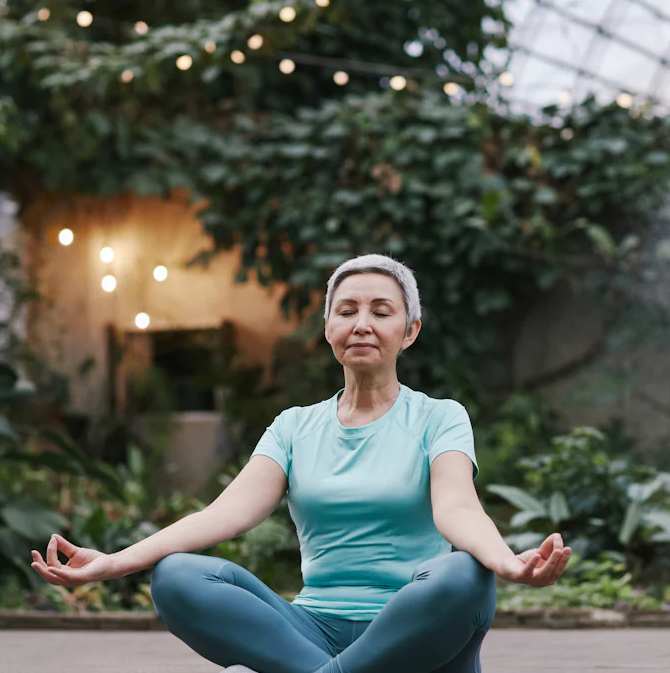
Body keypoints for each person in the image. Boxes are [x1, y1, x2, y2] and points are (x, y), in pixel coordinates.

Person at [30, 254, 571, 673]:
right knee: (176, 575)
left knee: (464, 575)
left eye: (381, 312)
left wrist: (507, 563)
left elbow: (457, 508)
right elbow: (225, 515)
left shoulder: (439, 417)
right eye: (347, 310)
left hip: (414, 625)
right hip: (308, 629)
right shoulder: (294, 426)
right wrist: (114, 562)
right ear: (328, 327)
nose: (362, 324)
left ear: (409, 331)